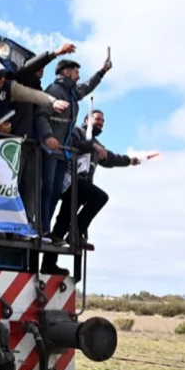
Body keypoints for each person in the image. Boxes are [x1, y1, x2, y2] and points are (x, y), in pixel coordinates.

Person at [42, 110, 140, 274]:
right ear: (87, 119)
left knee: (61, 223)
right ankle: (78, 230)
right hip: (69, 181)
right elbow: (74, 145)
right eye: (97, 119)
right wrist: (91, 146)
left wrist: (130, 160)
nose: (101, 123)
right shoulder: (76, 132)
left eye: (103, 121)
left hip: (80, 188)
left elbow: (111, 158)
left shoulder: (97, 144)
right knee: (101, 197)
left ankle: (48, 264)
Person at [35, 55, 112, 241]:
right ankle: (42, 228)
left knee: (54, 193)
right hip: (51, 150)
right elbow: (40, 115)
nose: (78, 76)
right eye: (76, 72)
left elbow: (87, 86)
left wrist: (102, 72)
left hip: (64, 153)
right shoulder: (53, 90)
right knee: (47, 190)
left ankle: (48, 231)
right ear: (66, 72)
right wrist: (48, 136)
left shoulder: (71, 93)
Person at [11, 43, 77, 229]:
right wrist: (56, 53)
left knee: (33, 187)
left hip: (34, 146)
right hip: (18, 143)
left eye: (44, 67)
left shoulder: (42, 89)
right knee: (13, 185)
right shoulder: (21, 79)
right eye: (38, 65)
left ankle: (28, 223)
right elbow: (28, 68)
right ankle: (12, 223)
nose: (41, 69)